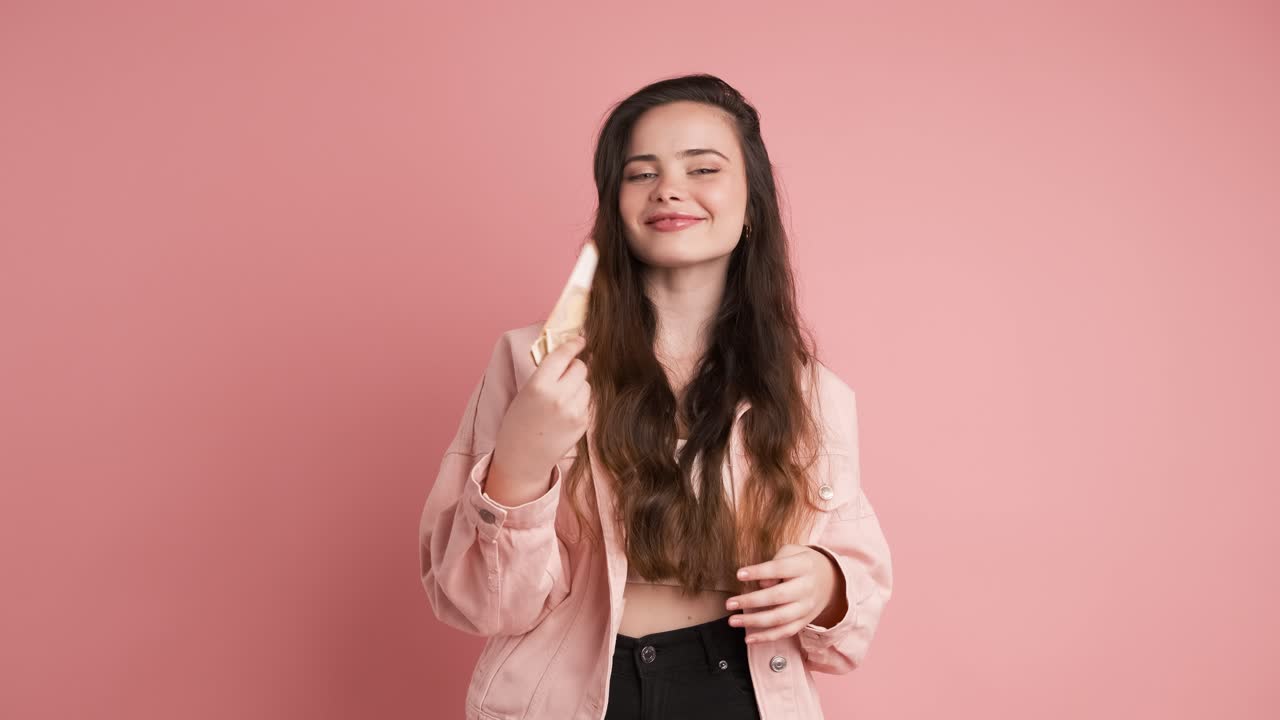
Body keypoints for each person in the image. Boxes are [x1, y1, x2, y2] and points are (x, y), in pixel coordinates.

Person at [419, 73, 893, 720]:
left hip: (739, 688)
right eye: (641, 173)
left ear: (751, 204)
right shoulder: (534, 363)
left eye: (703, 167)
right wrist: (519, 463)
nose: (669, 188)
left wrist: (827, 583)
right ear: (614, 206)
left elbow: (851, 605)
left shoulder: (812, 392)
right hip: (575, 693)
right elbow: (480, 604)